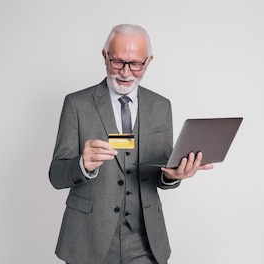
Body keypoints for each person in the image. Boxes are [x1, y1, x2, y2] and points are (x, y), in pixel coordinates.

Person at [49, 24, 213, 264]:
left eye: (135, 64)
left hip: (145, 241)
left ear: (148, 61)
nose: (125, 72)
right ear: (105, 56)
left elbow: (161, 174)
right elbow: (56, 175)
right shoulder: (77, 104)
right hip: (88, 238)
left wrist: (174, 176)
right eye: (117, 62)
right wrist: (82, 165)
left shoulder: (161, 106)